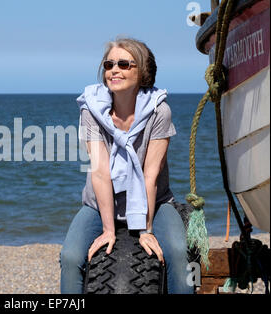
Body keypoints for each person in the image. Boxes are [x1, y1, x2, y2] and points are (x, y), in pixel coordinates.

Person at [60, 37, 193, 294]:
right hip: (99, 204)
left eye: (123, 64)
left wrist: (146, 229)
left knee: (177, 254)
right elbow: (99, 172)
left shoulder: (159, 111)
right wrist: (108, 229)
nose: (114, 70)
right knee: (70, 257)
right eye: (109, 64)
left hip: (155, 201)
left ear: (142, 72)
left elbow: (150, 176)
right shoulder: (91, 110)